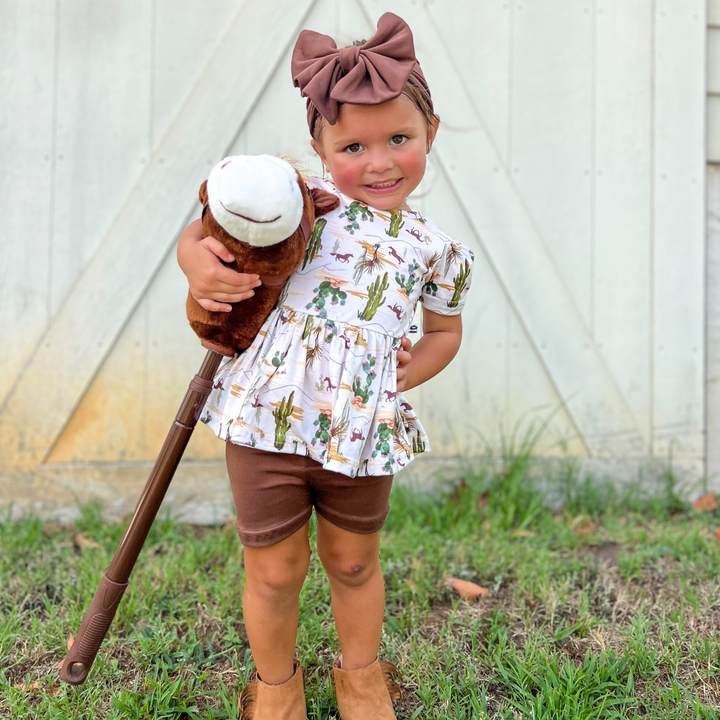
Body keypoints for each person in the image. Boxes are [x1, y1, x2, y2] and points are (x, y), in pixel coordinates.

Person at [177, 12, 473, 720]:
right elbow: (206, 225)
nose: (378, 163)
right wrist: (196, 265)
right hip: (263, 421)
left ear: (431, 133)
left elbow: (444, 332)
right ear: (319, 146)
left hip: (359, 431)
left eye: (399, 139)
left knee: (352, 562)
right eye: (353, 145)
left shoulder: (440, 251)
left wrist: (400, 376)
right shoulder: (302, 204)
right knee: (275, 569)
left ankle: (362, 678)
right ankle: (277, 688)